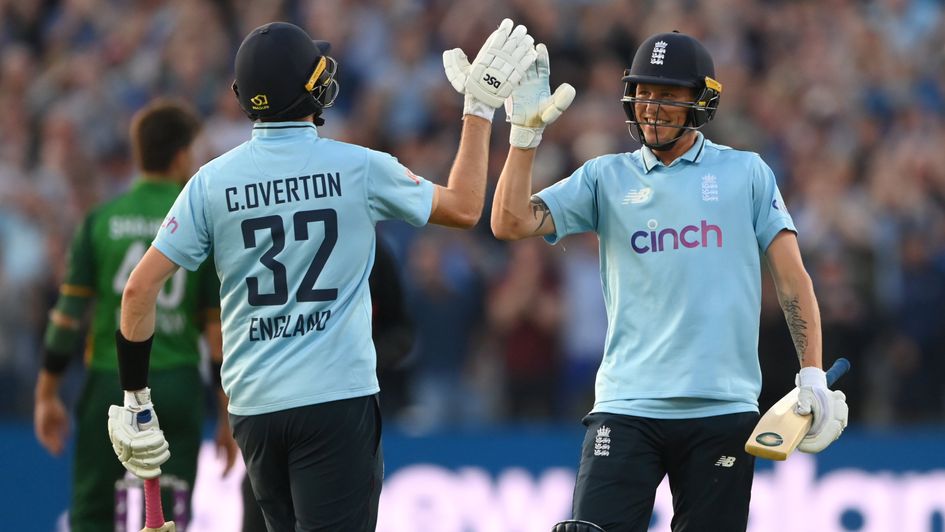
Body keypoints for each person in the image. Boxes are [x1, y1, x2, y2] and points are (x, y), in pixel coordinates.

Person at [105, 19, 538, 531]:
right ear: (308, 89)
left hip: (255, 407)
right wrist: (478, 109)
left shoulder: (210, 182)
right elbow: (465, 208)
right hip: (336, 399)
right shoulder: (356, 166)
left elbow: (138, 290)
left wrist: (136, 398)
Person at [490, 33, 850, 532]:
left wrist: (811, 374)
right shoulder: (604, 177)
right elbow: (509, 222)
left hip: (722, 407)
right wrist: (523, 139)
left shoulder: (746, 172)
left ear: (700, 101)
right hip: (626, 404)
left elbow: (793, 282)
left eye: (667, 95)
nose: (651, 108)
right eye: (644, 94)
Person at [33, 99, 238, 532]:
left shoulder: (100, 220)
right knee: (168, 517)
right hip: (177, 385)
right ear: (182, 154)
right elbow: (216, 332)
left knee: (92, 515)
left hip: (111, 383)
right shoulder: (201, 223)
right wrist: (226, 415)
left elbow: (67, 318)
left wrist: (47, 393)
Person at [239, 235, 416, 532]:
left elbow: (401, 330)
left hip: (333, 402)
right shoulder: (282, 236)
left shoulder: (370, 246)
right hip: (283, 400)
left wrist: (360, 355)